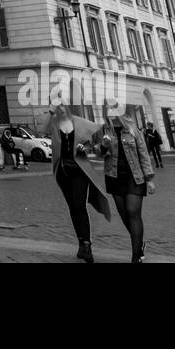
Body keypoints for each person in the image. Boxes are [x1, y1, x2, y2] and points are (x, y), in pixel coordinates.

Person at [39, 105, 110, 263]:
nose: (61, 108)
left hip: (79, 171)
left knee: (80, 205)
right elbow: (42, 130)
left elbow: (94, 140)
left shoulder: (80, 123)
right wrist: (50, 111)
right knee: (72, 207)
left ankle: (87, 245)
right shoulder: (54, 124)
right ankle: (80, 242)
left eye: (63, 104)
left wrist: (85, 148)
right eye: (58, 106)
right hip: (62, 172)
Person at [98, 112, 157, 263]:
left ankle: (136, 256)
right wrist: (103, 146)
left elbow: (143, 154)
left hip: (134, 176)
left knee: (133, 212)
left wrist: (149, 178)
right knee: (124, 215)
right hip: (114, 176)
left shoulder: (133, 129)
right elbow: (98, 153)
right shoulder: (105, 130)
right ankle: (139, 242)